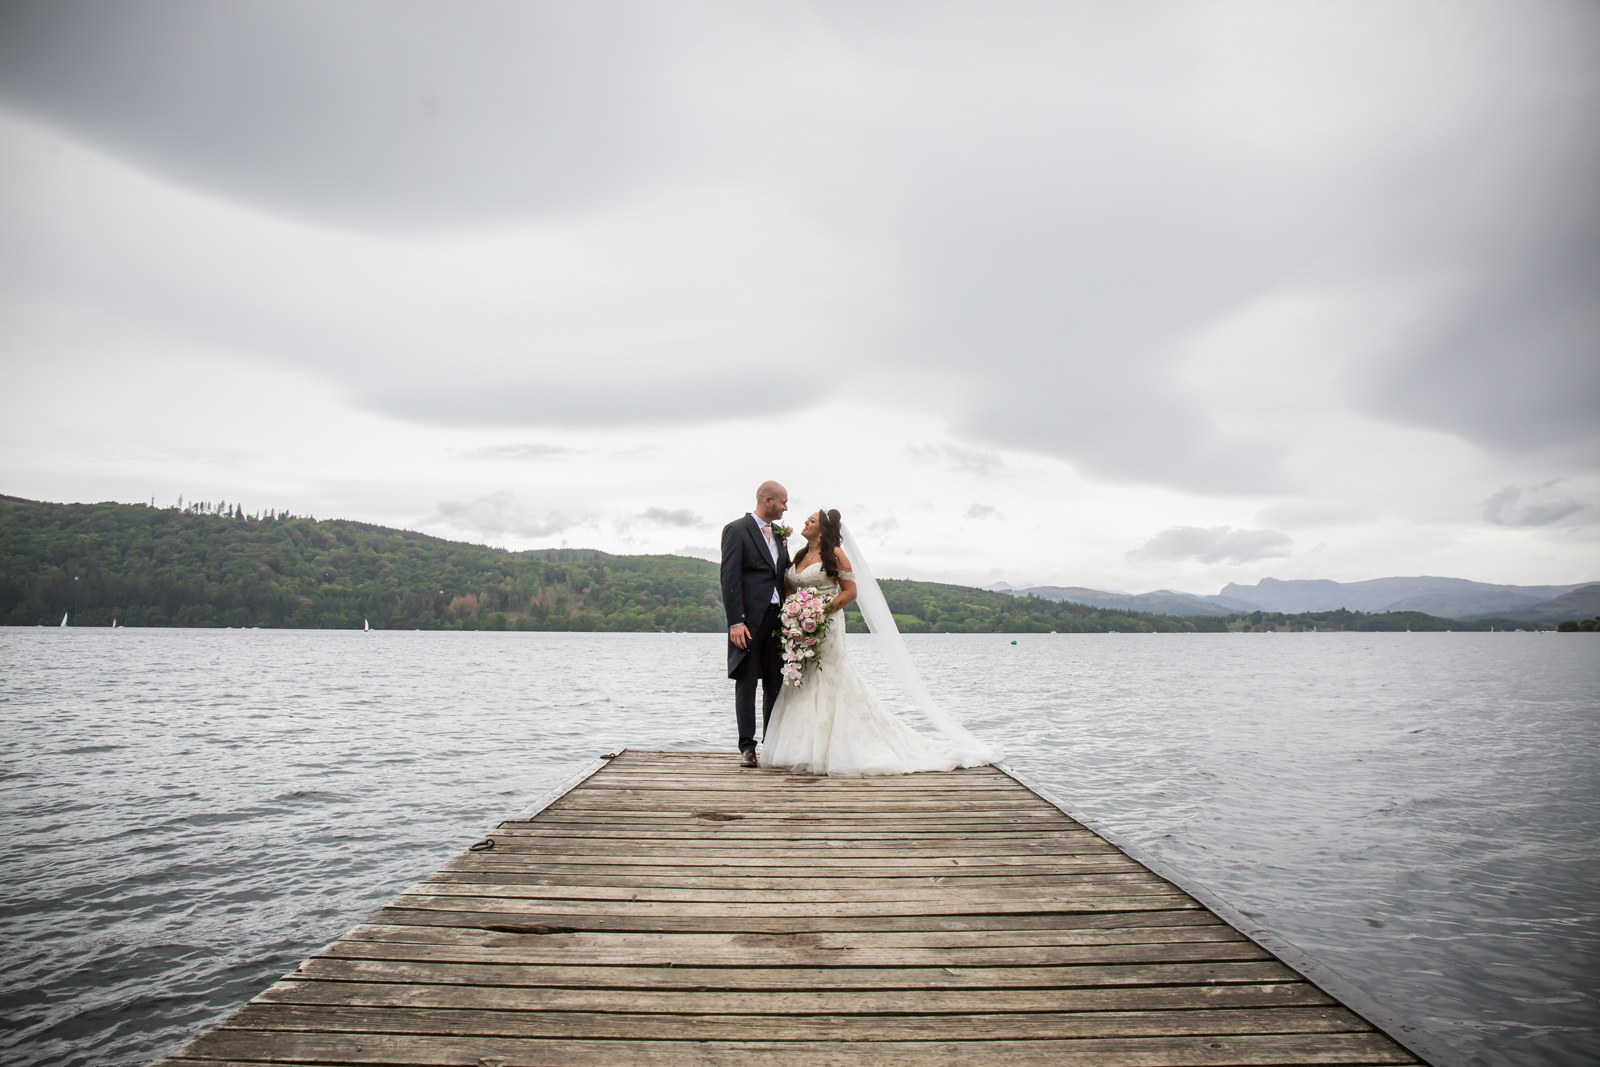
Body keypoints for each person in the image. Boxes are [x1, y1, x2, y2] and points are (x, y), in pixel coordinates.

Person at [760, 507, 997, 776]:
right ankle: (800, 748)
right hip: (800, 628)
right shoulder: (800, 555)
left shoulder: (835, 554)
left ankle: (836, 748)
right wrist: (795, 615)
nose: (805, 521)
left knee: (828, 678)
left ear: (822, 530)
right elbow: (790, 589)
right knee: (803, 678)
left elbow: (850, 592)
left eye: (811, 520)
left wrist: (818, 611)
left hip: (826, 624)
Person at [720, 481, 791, 767]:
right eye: (783, 502)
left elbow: (782, 575)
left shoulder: (780, 534)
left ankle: (772, 744)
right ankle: (747, 748)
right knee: (747, 683)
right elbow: (729, 577)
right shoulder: (736, 530)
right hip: (747, 621)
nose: (786, 507)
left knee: (776, 683)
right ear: (768, 499)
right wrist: (735, 621)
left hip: (778, 620)